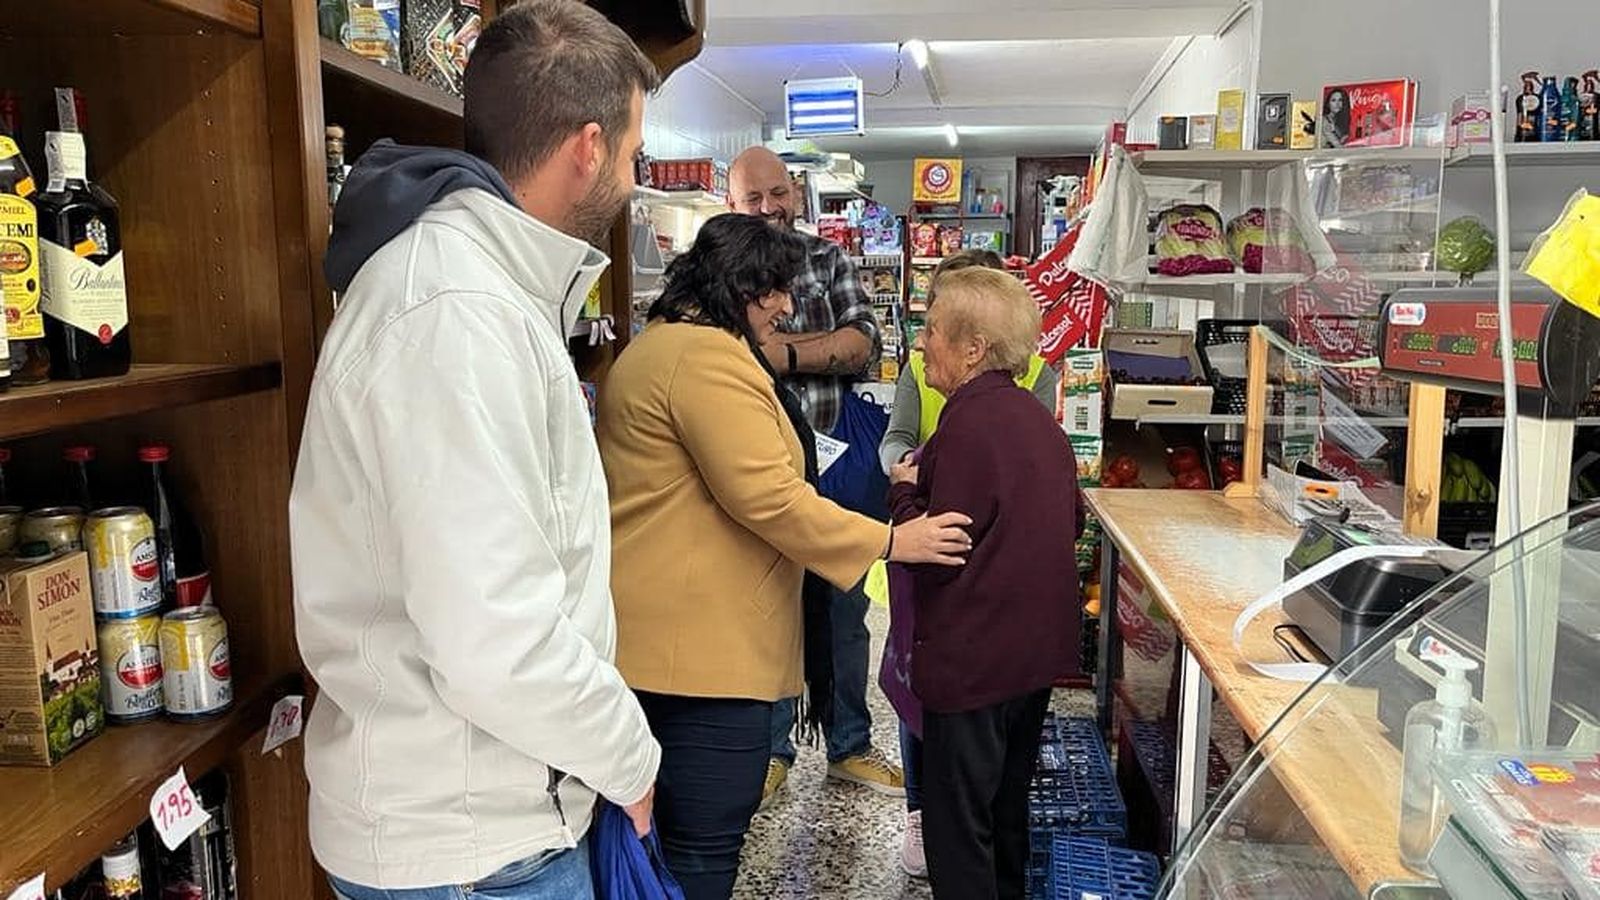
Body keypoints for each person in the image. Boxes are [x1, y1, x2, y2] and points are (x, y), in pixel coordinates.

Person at [290, 4, 661, 898]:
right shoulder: (457, 310)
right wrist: (630, 756)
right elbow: (493, 634)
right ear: (586, 148)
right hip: (471, 850)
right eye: (632, 151)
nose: (633, 174)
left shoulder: (481, 290)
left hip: (476, 820)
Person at [596, 213, 974, 900]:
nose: (785, 305)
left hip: (670, 641)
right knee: (703, 851)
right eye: (771, 288)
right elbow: (769, 497)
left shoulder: (672, 346)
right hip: (697, 658)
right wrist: (891, 541)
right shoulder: (704, 359)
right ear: (735, 285)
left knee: (679, 848)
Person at [887, 267, 1081, 900]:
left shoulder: (967, 426)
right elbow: (1071, 519)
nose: (921, 345)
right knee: (1005, 812)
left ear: (973, 348)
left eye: (933, 330)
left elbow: (937, 549)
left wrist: (905, 494)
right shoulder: (1038, 420)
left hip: (973, 661)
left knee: (958, 827)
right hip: (1031, 660)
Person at [724, 146, 904, 808]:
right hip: (747, 470)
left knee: (845, 609)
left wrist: (781, 355)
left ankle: (849, 746)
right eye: (753, 198)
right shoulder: (718, 270)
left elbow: (864, 343)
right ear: (731, 202)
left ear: (795, 193)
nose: (769, 208)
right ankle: (770, 752)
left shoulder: (827, 260)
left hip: (832, 463)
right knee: (766, 612)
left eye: (778, 193)